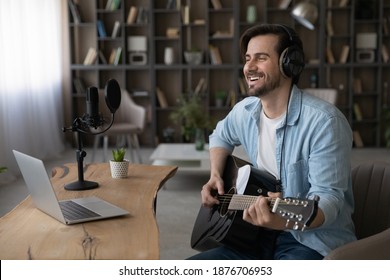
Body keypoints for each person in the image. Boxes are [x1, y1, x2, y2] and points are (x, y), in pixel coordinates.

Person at [188, 24, 357, 260]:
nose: (249, 67)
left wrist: (283, 218)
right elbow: (220, 136)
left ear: (289, 63)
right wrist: (215, 175)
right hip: (253, 233)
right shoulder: (244, 111)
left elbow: (329, 199)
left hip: (309, 241)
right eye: (248, 58)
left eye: (261, 58)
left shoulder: (325, 122)